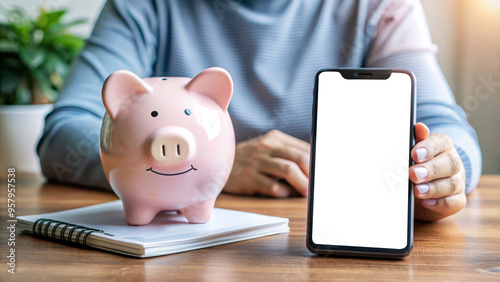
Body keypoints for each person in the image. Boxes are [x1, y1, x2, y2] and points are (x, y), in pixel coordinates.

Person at [37, 0, 482, 222]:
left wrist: (444, 169)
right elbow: (63, 136)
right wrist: (210, 171)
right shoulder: (147, 6)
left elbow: (444, 127)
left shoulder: (378, 5)